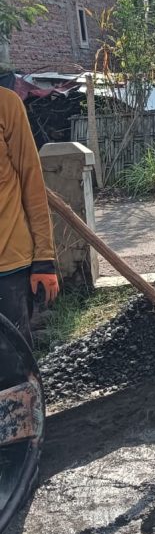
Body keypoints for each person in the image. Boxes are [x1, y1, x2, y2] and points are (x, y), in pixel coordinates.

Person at [0, 85, 59, 346]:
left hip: (8, 267)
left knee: (13, 361)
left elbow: (31, 181)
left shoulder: (6, 104)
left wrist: (44, 258)